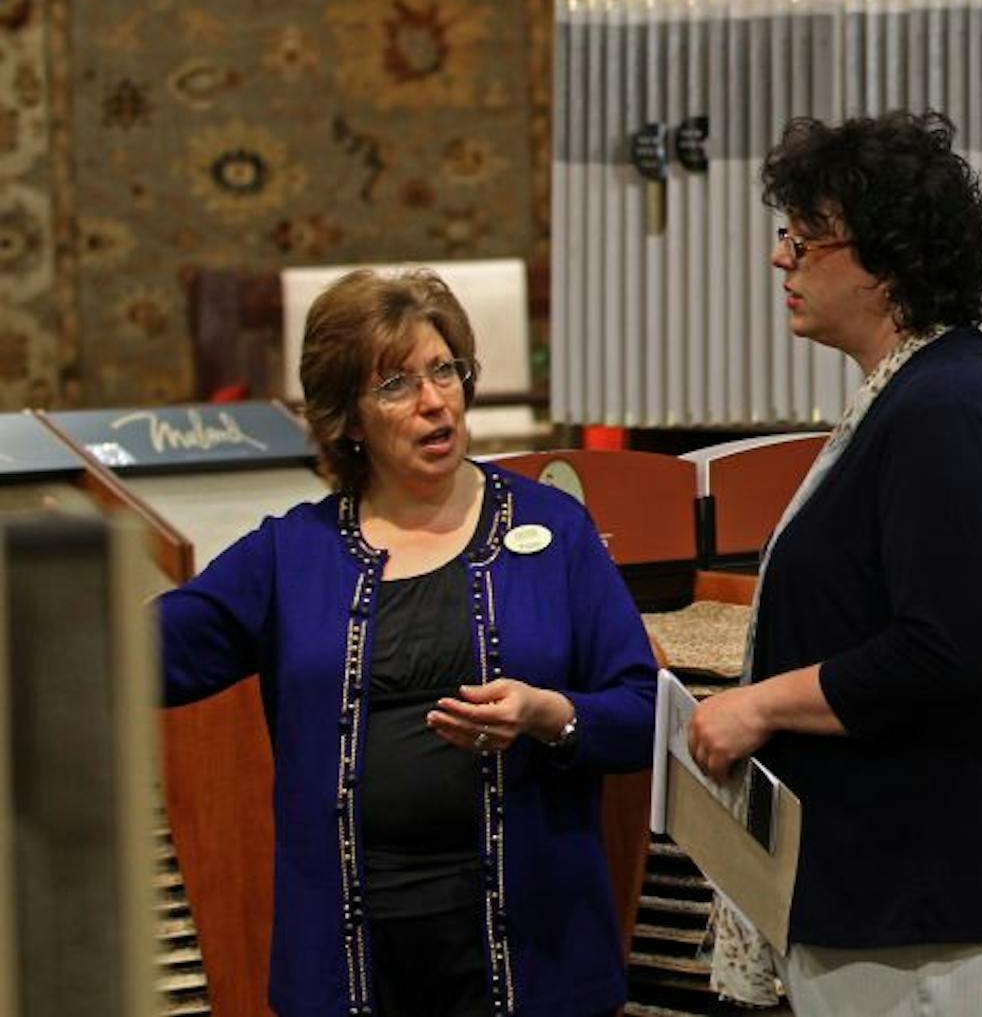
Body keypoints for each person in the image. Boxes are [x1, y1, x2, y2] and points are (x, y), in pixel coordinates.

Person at [158, 269, 657, 1017]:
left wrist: (551, 714)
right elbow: (138, 654)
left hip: (535, 959)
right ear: (349, 419)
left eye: (444, 370)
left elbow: (647, 711)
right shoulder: (294, 552)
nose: (434, 401)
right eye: (395, 384)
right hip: (351, 967)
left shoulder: (555, 530)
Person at [686, 111, 982, 1016]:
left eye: (804, 238)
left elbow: (940, 652)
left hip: (933, 897)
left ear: (887, 258)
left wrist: (756, 704)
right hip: (890, 886)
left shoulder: (947, 409)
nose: (781, 259)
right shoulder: (910, 395)